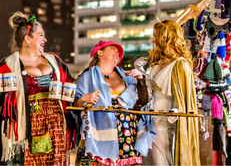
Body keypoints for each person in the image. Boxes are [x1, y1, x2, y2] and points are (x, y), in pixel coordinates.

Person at [0, 12, 75, 165]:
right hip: (26, 127)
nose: (45, 39)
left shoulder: (54, 60)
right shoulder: (8, 64)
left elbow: (70, 85)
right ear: (27, 39)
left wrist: (83, 98)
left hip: (55, 126)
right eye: (41, 35)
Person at [74, 40, 148, 165]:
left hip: (127, 136)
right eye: (113, 49)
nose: (117, 53)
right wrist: (83, 99)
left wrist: (140, 81)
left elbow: (143, 101)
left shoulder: (126, 76)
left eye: (118, 52)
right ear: (99, 52)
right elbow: (74, 106)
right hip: (99, 137)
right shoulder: (87, 77)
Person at [143, 20, 200, 165]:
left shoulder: (180, 64)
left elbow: (184, 99)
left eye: (156, 35)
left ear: (166, 37)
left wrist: (176, 110)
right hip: (148, 123)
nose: (153, 40)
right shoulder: (157, 63)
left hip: (165, 126)